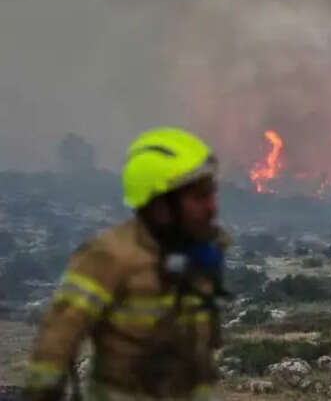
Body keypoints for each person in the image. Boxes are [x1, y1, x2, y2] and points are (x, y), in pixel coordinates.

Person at [25, 127, 229, 401]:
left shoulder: (197, 259)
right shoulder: (109, 256)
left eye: (211, 194)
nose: (212, 207)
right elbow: (57, 343)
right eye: (198, 197)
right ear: (160, 203)